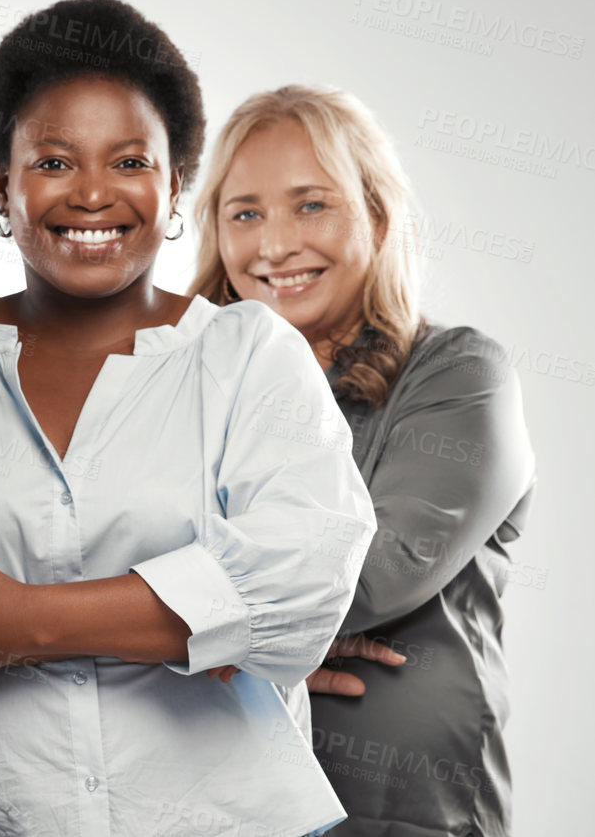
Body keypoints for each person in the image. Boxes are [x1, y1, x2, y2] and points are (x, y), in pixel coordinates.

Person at [0, 0, 377, 836]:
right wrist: (185, 616)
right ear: (2, 183)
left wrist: (11, 622)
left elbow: (299, 581)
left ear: (175, 183)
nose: (92, 194)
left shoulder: (248, 355)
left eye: (129, 160)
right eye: (53, 161)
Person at [189, 84, 537, 836]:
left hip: (401, 808)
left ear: (376, 217)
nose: (274, 244)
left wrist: (215, 639)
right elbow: (91, 545)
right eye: (243, 212)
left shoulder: (455, 373)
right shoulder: (184, 386)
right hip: (212, 794)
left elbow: (375, 569)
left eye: (309, 204)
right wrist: (265, 648)